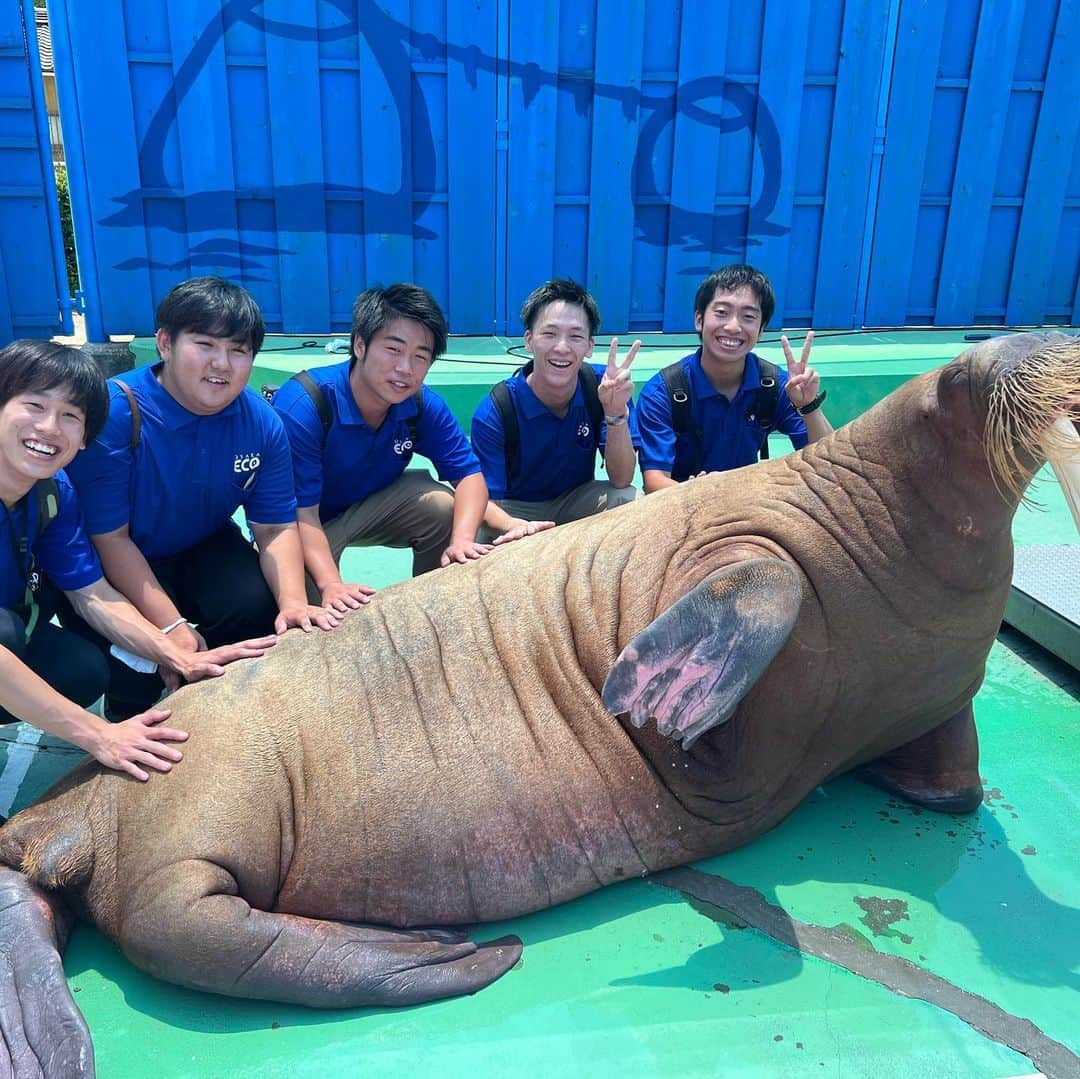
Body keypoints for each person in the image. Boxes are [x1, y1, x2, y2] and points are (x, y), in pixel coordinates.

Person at [0, 340, 274, 784]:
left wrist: (175, 653)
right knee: (5, 634)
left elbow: (92, 593)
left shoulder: (52, 493)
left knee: (82, 670)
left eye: (70, 416)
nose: (50, 427)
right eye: (34, 405)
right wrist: (98, 735)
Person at [64, 276, 334, 721]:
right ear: (165, 343)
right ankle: (128, 713)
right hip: (113, 555)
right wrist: (171, 627)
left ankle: (222, 717)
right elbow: (109, 539)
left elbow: (274, 527)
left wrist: (292, 603)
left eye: (239, 350)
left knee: (259, 608)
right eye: (205, 344)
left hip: (196, 542)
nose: (222, 364)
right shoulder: (115, 412)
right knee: (144, 664)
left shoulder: (262, 424)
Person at [273, 283, 535, 614]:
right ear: (360, 345)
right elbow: (300, 514)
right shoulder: (306, 405)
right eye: (393, 350)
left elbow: (469, 475)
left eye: (420, 356)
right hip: (307, 523)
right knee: (317, 616)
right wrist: (331, 585)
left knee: (440, 506)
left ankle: (427, 613)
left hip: (369, 507)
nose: (405, 369)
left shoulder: (421, 405)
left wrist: (463, 541)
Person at [636, 264, 833, 491]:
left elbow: (827, 463)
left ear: (760, 331)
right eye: (721, 313)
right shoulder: (663, 392)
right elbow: (654, 481)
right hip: (681, 505)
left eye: (748, 316)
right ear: (699, 320)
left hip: (748, 501)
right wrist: (698, 493)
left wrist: (809, 406)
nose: (732, 326)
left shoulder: (776, 385)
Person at [470, 279, 641, 530]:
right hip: (514, 507)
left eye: (575, 336)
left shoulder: (604, 387)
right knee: (474, 540)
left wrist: (615, 413)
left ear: (590, 346)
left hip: (575, 500)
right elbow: (486, 501)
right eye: (549, 334)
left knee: (629, 500)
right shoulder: (497, 409)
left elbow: (622, 479)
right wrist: (514, 527)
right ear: (528, 340)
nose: (562, 348)